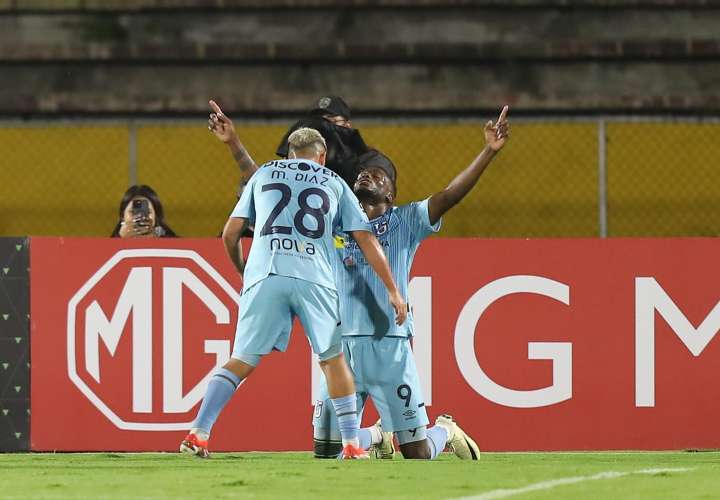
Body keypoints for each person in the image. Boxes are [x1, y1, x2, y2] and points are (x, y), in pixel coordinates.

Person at [180, 128, 408, 459]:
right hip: (314, 276)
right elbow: (366, 239)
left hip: (267, 272)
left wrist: (244, 270)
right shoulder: (333, 181)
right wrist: (392, 290)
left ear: (289, 154)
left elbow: (230, 234)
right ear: (322, 156)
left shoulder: (264, 175)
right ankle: (351, 444)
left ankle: (198, 433)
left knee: (241, 359)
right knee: (332, 359)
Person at [313, 106, 510, 461]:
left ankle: (444, 430)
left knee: (416, 453)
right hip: (340, 347)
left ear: (391, 194)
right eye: (364, 173)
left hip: (389, 347)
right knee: (328, 453)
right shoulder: (337, 222)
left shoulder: (407, 221)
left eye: (379, 175)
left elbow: (450, 194)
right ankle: (376, 434)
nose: (368, 176)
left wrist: (488, 152)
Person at [207, 96, 369, 190]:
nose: (323, 128)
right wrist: (233, 141)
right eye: (318, 122)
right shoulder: (298, 173)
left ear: (348, 126)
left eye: (330, 122)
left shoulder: (365, 165)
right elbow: (260, 180)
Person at [110, 184, 177, 238]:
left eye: (147, 212)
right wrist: (120, 239)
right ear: (122, 216)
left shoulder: (172, 242)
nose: (140, 216)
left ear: (156, 216)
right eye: (132, 212)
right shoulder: (108, 244)